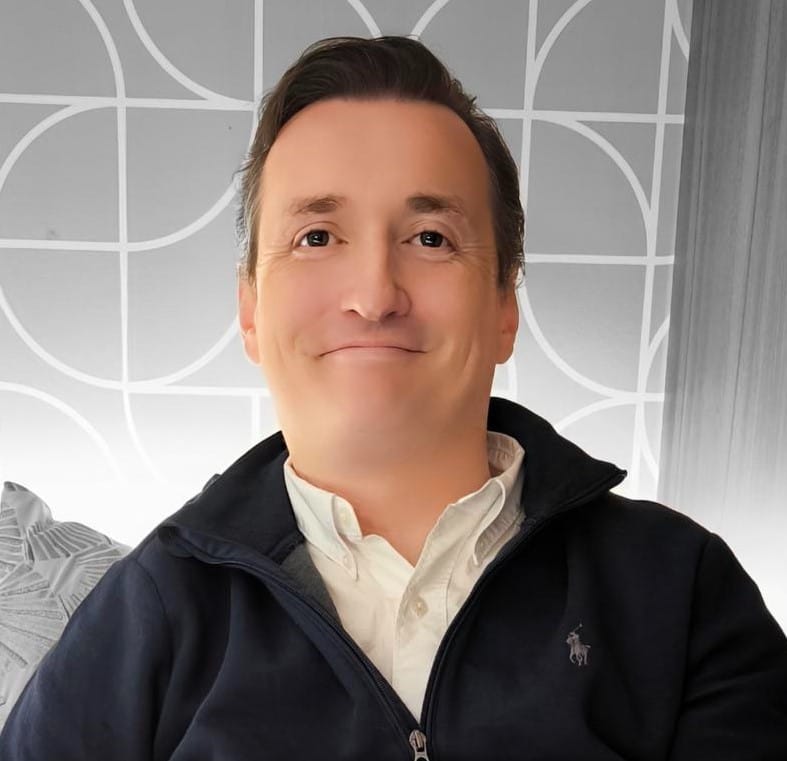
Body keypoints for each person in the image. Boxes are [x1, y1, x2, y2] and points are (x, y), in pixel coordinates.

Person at [1, 35, 786, 761]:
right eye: (316, 237)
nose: (374, 295)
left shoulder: (678, 588)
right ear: (250, 311)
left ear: (503, 305)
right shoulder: (142, 613)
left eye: (430, 238)